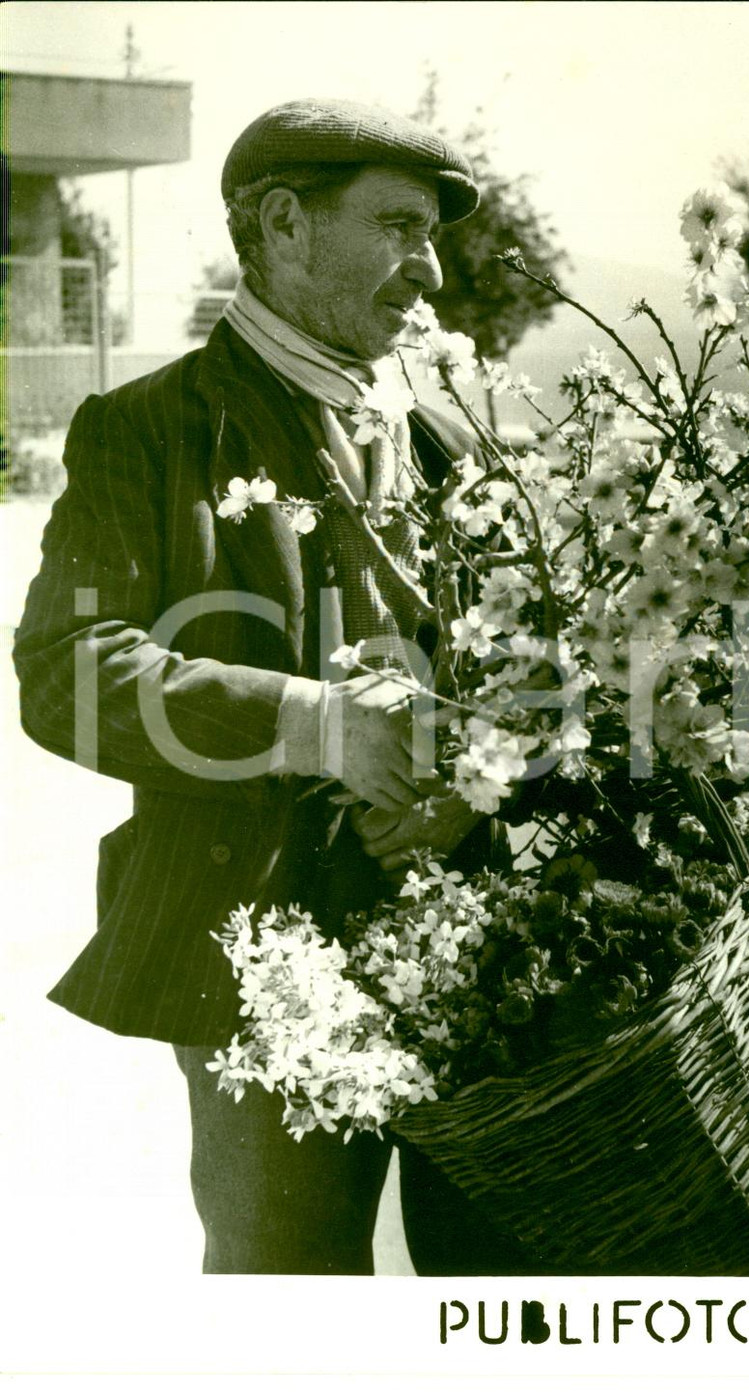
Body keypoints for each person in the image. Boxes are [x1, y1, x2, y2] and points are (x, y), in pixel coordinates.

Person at [12, 97, 547, 1276]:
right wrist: (316, 726)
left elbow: (540, 670)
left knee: (502, 1292)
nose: (431, 271)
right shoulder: (144, 432)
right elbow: (64, 673)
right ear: (283, 224)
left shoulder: (455, 443)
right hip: (260, 949)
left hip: (480, 943)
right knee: (289, 1295)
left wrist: (474, 783)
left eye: (436, 236)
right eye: (401, 226)